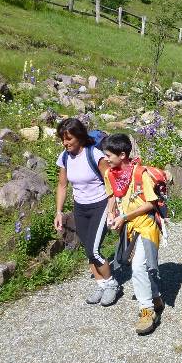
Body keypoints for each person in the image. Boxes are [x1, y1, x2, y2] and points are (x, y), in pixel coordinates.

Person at [103, 133, 164, 335]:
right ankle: (155, 296)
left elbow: (151, 203)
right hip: (129, 228)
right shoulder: (110, 174)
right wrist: (111, 214)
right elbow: (112, 196)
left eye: (109, 155)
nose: (106, 159)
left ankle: (146, 312)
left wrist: (125, 216)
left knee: (138, 267)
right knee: (142, 267)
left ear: (122, 155)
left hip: (146, 227)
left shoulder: (140, 174)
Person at [53, 118, 117, 306]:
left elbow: (110, 182)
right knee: (88, 249)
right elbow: (62, 185)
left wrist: (112, 209)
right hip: (80, 207)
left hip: (100, 206)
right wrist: (59, 212)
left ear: (79, 137)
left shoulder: (94, 155)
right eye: (62, 139)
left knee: (93, 250)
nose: (65, 143)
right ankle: (101, 285)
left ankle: (111, 284)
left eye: (69, 139)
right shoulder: (64, 157)